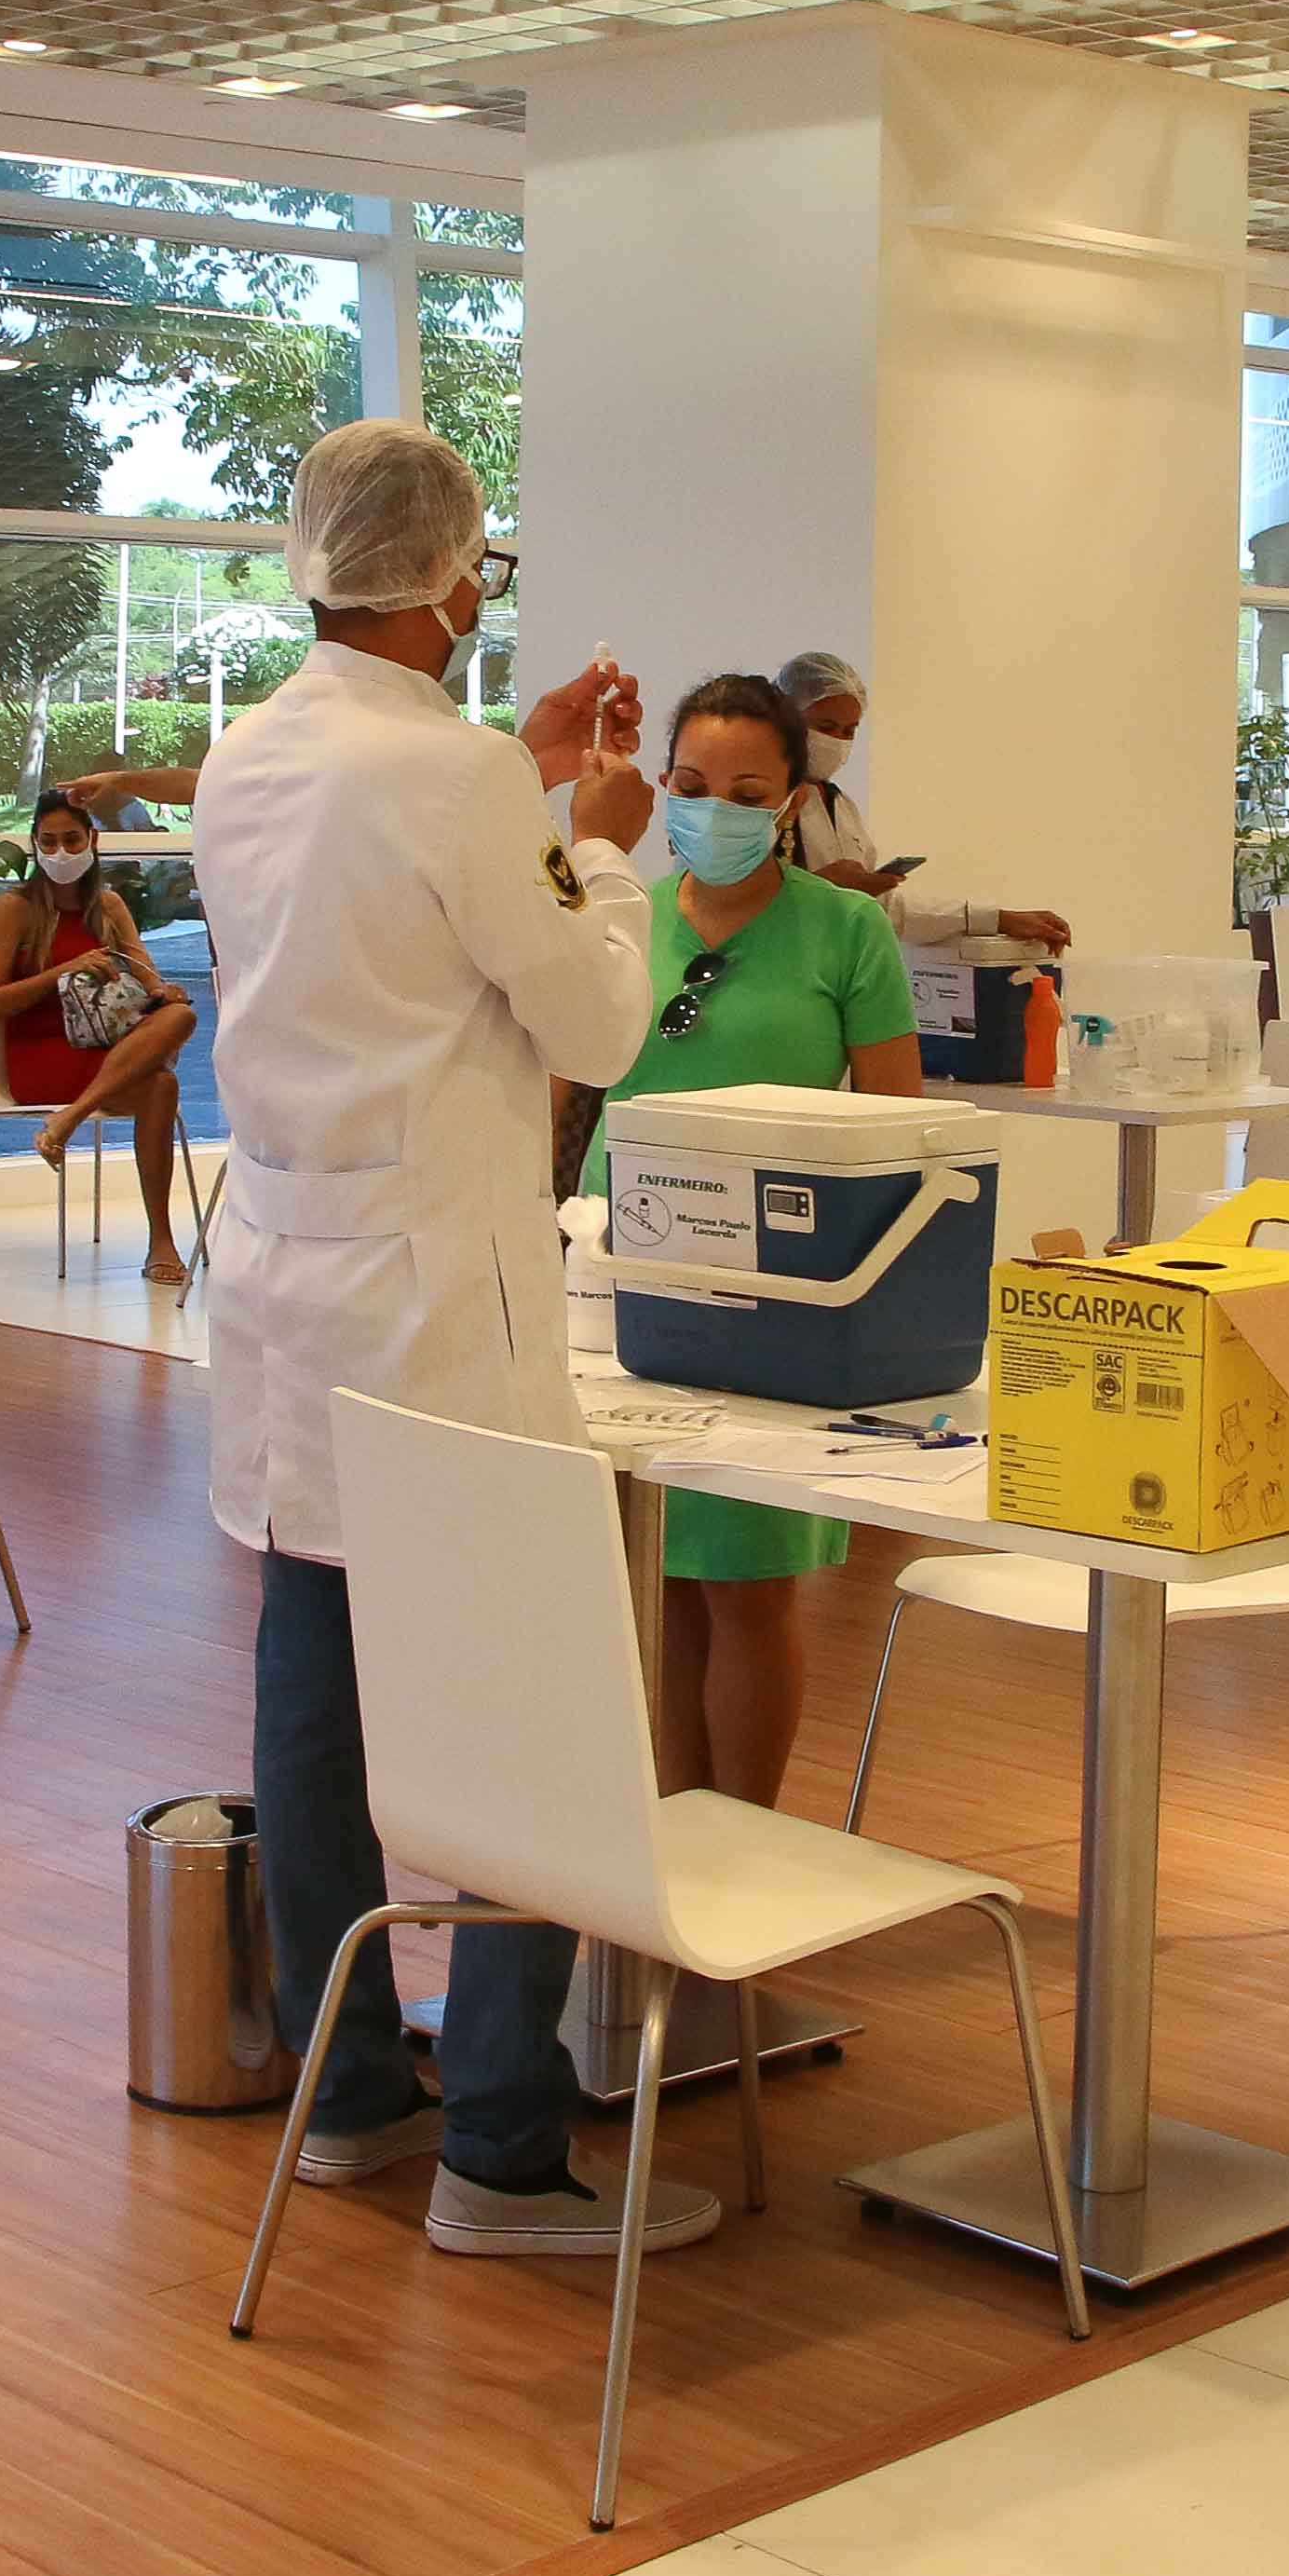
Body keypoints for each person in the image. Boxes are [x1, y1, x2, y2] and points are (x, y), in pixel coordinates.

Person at [207, 416, 724, 2260]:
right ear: (449, 581)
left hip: (284, 1273)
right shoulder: (461, 787)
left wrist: (519, 785)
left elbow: (393, 895)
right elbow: (588, 1026)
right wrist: (596, 842)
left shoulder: (251, 753)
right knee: (528, 1693)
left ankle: (347, 2090)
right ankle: (499, 2142)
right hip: (438, 1290)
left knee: (313, 1687)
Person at [584, 674, 925, 1811]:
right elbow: (558, 1092)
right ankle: (669, 1848)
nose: (709, 809)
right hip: (621, 1281)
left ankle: (741, 1840)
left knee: (746, 1583)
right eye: (685, 786)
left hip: (780, 1293)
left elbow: (896, 1129)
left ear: (789, 801)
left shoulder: (844, 928)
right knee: (652, 1579)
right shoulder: (618, 914)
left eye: (743, 790)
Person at [0, 794, 201, 1284]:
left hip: (105, 1051)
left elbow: (148, 977)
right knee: (160, 1084)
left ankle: (72, 1125)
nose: (60, 852)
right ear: (34, 845)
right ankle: (159, 1237)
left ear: (92, 840)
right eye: (48, 842)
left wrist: (163, 992)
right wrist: (63, 971)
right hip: (43, 1055)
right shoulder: (15, 909)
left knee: (178, 1020)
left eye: (71, 840)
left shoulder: (110, 905)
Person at [768, 649, 1071, 954]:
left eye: (849, 731)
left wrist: (997, 919)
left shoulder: (840, 806)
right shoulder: (763, 807)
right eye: (826, 727)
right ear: (788, 719)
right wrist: (825, 886)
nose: (837, 741)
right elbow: (739, 911)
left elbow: (888, 910)